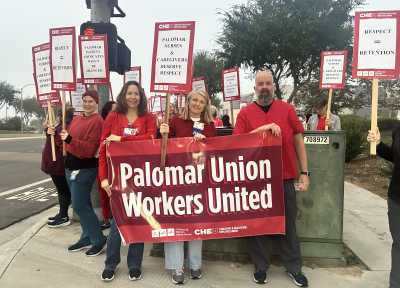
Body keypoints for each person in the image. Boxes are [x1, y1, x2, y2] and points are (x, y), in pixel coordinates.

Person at [233, 71, 309, 287]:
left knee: (288, 223)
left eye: (268, 83)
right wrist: (264, 128)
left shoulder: (287, 110)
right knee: (258, 223)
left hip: (284, 177)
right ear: (255, 88)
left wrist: (305, 172)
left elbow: (299, 142)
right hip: (255, 178)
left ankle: (294, 268)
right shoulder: (245, 113)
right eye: (260, 84)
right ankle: (260, 267)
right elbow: (239, 142)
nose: (264, 87)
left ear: (273, 86)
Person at [99, 81, 157, 282]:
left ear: (141, 97)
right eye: (129, 93)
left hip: (142, 177)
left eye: (137, 94)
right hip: (117, 178)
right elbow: (103, 149)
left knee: (138, 220)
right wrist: (104, 177)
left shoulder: (149, 118)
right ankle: (111, 264)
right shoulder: (112, 117)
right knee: (116, 223)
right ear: (123, 95)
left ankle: (134, 264)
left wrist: (122, 140)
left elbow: (150, 140)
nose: (133, 97)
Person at [159, 88, 217, 284]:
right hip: (175, 178)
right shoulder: (175, 121)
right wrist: (164, 134)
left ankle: (195, 264)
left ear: (205, 105)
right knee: (175, 221)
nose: (197, 104)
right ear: (188, 101)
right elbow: (163, 149)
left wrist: (205, 143)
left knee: (196, 222)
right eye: (194, 100)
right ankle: (176, 266)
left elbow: (216, 153)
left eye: (202, 102)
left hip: (199, 180)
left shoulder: (210, 125)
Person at [58, 90, 107, 257]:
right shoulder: (78, 118)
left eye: (90, 101)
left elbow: (91, 149)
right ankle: (86, 237)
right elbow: (66, 140)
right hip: (70, 167)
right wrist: (55, 134)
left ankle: (99, 240)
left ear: (96, 103)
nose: (87, 104)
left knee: (78, 206)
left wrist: (70, 140)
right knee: (83, 204)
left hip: (84, 168)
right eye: (84, 100)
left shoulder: (97, 121)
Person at [367, 125, 400, 288]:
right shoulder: (398, 129)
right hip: (397, 197)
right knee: (399, 243)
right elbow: (395, 157)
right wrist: (378, 143)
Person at [43, 107, 74, 227]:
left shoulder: (62, 128)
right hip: (58, 164)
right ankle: (62, 213)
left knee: (63, 191)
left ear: (60, 117)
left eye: (57, 115)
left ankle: (63, 216)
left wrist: (46, 128)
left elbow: (54, 137)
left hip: (57, 164)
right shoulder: (66, 127)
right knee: (63, 190)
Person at [98, 100, 116, 230]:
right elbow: (102, 145)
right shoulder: (103, 123)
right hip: (104, 162)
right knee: (104, 193)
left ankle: (116, 218)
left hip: (117, 165)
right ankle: (106, 218)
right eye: (115, 109)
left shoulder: (120, 121)